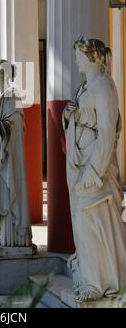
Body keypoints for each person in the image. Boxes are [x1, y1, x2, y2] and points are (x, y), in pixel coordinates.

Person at [63, 37, 126, 301]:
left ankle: (103, 280)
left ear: (93, 56)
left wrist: (93, 171)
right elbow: (80, 118)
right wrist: (69, 116)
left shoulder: (104, 87)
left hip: (95, 167)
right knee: (81, 222)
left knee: (97, 221)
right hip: (79, 162)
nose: (76, 59)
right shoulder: (84, 88)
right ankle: (90, 277)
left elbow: (107, 131)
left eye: (79, 54)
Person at [0, 59, 35, 248]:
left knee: (6, 188)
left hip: (7, 152)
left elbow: (17, 124)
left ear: (3, 74)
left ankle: (13, 236)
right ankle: (3, 232)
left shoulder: (12, 97)